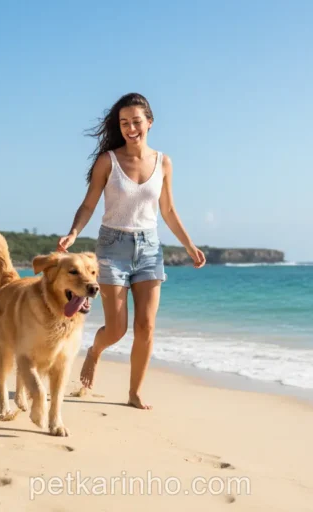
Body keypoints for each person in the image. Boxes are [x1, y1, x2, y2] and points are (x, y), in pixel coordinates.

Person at [57, 92, 206, 409]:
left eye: (136, 121)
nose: (130, 128)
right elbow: (88, 204)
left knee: (146, 327)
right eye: (124, 123)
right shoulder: (107, 161)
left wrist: (190, 246)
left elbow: (167, 210)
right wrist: (73, 232)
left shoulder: (163, 162)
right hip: (112, 248)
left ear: (149, 123)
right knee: (116, 329)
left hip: (150, 248)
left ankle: (134, 393)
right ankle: (95, 351)